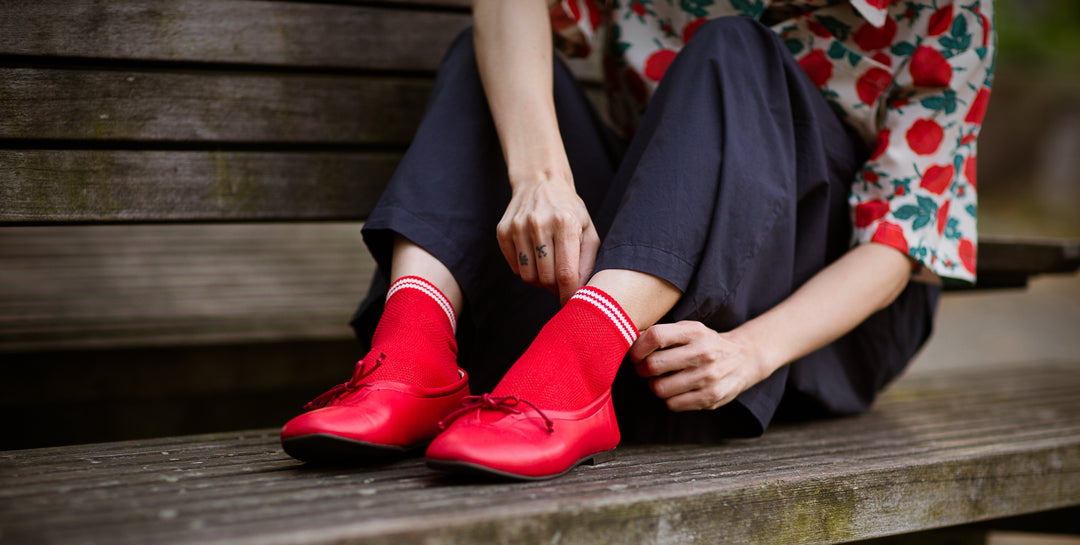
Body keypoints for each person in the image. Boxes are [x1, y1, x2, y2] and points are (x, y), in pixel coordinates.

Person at [281, 0, 996, 480]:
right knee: (487, 55)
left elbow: (899, 243)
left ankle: (576, 367)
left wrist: (749, 352)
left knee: (733, 48)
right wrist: (540, 177)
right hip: (634, 265)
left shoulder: (948, 13)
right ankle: (413, 357)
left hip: (799, 323)